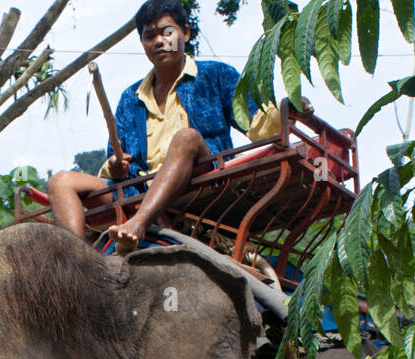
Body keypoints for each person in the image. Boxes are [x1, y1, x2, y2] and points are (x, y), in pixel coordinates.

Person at [46, 0, 291, 252]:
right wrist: (115, 167)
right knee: (60, 182)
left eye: (167, 32)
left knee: (186, 138)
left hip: (201, 182)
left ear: (185, 32)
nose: (159, 41)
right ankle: (76, 258)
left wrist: (287, 111)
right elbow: (115, 157)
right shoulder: (130, 99)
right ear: (142, 43)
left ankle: (139, 224)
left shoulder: (216, 76)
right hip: (138, 189)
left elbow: (259, 122)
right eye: (149, 36)